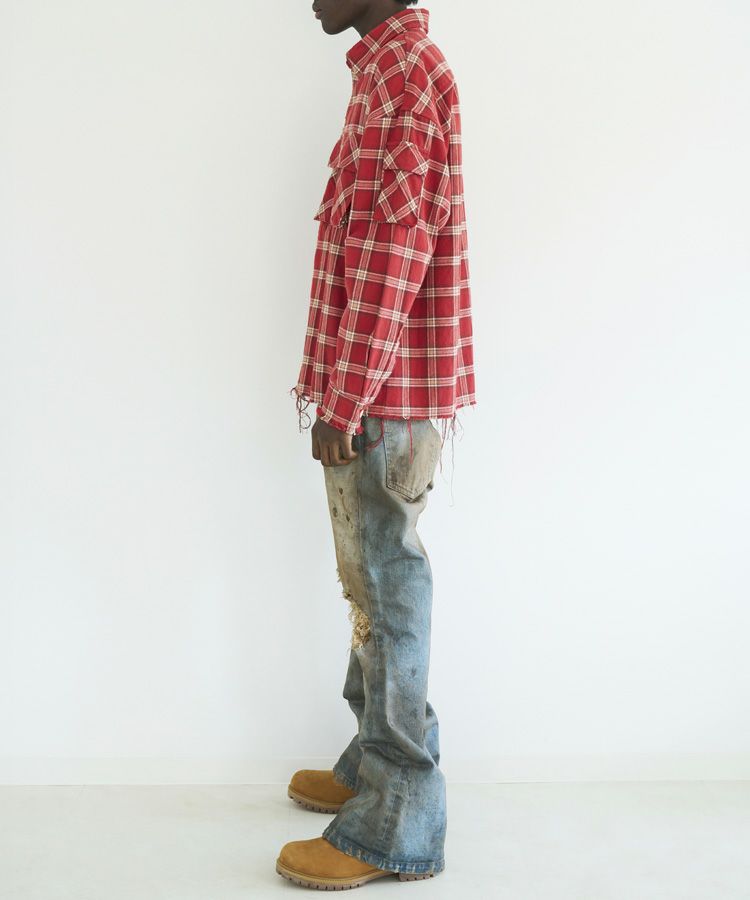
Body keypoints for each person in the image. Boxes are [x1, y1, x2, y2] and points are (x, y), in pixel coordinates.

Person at [280, 0, 476, 890]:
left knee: (388, 594)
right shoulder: (385, 74)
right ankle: (373, 762)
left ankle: (398, 819)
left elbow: (396, 251)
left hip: (383, 400)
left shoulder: (404, 78)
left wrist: (345, 397)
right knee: (370, 586)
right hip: (377, 392)